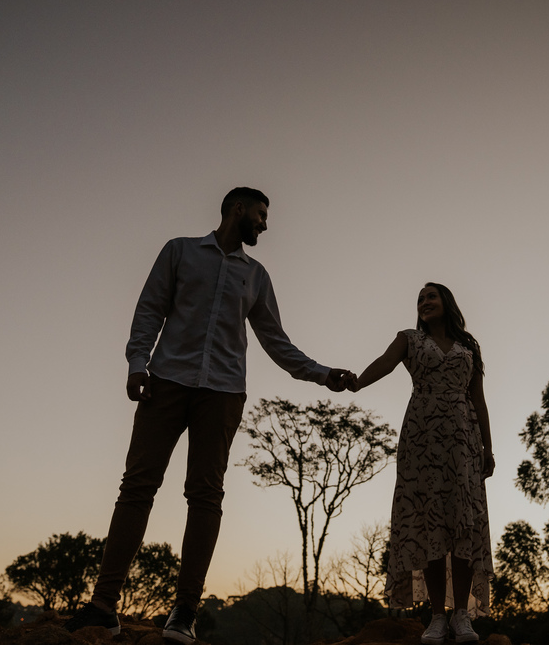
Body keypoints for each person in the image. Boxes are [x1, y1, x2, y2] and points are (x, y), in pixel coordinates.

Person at [65, 187, 355, 644]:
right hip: (165, 382)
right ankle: (104, 606)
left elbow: (275, 340)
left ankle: (184, 612)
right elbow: (150, 310)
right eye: (260, 215)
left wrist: (320, 375)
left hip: (222, 394)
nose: (264, 224)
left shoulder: (255, 275)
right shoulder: (179, 251)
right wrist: (137, 363)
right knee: (137, 486)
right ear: (237, 209)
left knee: (205, 496)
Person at [348, 282, 494, 645]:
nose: (424, 302)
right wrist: (356, 383)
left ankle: (462, 615)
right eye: (420, 299)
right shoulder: (409, 338)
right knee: (429, 520)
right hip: (421, 437)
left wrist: (487, 448)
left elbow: (478, 398)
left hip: (462, 438)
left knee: (462, 521)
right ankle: (437, 617)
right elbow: (384, 363)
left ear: (446, 302)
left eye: (431, 296)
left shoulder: (468, 346)